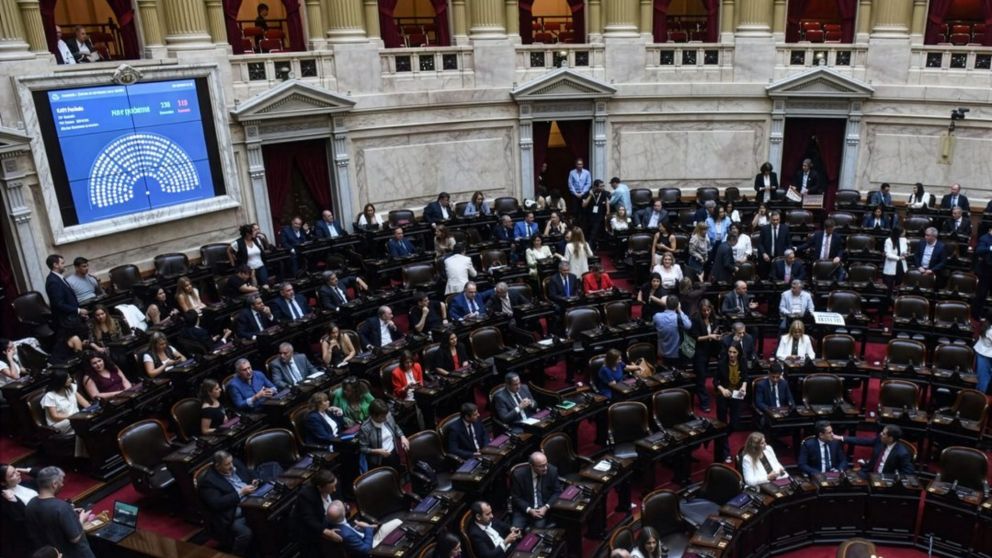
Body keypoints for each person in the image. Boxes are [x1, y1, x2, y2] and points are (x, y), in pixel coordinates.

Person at [25, 466, 95, 558]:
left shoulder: (31, 504)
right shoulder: (62, 507)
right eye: (61, 481)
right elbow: (75, 538)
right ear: (54, 484)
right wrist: (81, 519)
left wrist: (70, 514)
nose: (62, 484)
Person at [197, 451, 256, 556]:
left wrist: (254, 480)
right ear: (217, 466)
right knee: (246, 533)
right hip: (231, 514)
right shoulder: (208, 481)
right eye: (227, 464)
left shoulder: (235, 463)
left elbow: (249, 472)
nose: (232, 466)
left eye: (231, 462)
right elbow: (217, 503)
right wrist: (241, 493)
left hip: (251, 501)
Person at [293, 470, 343, 558]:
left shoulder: (334, 484)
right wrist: (326, 532)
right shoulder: (306, 495)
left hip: (328, 521)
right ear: (320, 487)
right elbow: (309, 520)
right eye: (331, 488)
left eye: (335, 485)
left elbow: (339, 500)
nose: (335, 489)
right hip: (310, 531)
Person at [509, 451, 562, 529]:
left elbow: (557, 492)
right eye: (541, 466)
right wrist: (529, 510)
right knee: (515, 533)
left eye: (546, 464)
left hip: (542, 509)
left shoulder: (552, 471)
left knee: (537, 532)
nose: (545, 468)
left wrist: (546, 507)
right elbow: (516, 497)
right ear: (532, 466)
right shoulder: (519, 475)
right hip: (524, 509)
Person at [835, 424, 914, 476]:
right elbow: (863, 441)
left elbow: (908, 473)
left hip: (884, 479)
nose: (880, 434)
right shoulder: (880, 440)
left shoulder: (902, 453)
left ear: (890, 438)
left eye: (883, 434)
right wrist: (842, 438)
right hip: (869, 473)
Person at [714, 342, 748, 462]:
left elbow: (744, 377)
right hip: (723, 395)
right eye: (730, 352)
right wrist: (722, 390)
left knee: (734, 424)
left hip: (736, 395)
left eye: (734, 352)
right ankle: (725, 452)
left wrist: (744, 387)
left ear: (739, 353)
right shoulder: (722, 363)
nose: (731, 355)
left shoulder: (742, 362)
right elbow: (715, 381)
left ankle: (720, 438)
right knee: (722, 423)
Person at [357, 399, 409, 472]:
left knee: (396, 473)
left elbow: (395, 427)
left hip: (393, 452)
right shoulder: (365, 428)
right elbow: (363, 448)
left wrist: (402, 437)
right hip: (379, 460)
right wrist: (378, 451)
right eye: (382, 417)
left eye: (386, 415)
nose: (385, 419)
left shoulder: (388, 415)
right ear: (373, 416)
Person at [1, 464, 39, 558]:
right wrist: (14, 501)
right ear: (3, 483)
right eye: (12, 474)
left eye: (16, 471)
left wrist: (27, 470)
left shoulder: (24, 484)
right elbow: (21, 519)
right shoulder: (5, 499)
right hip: (32, 537)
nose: (17, 474)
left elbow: (47, 475)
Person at [690, 299, 721, 412]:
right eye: (704, 311)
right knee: (701, 376)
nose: (706, 312)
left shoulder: (713, 318)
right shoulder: (695, 319)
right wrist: (710, 336)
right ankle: (704, 402)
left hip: (710, 350)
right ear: (700, 310)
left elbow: (715, 331)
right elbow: (696, 338)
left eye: (708, 310)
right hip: (698, 351)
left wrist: (716, 335)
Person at [45, 254, 86, 336]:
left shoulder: (58, 278)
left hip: (73, 317)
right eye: (62, 263)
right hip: (67, 322)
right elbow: (59, 304)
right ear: (55, 265)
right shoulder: (53, 281)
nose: (64, 265)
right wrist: (78, 310)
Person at [41, 369, 89, 436]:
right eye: (68, 378)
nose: (70, 379)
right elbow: (55, 416)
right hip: (61, 422)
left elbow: (84, 403)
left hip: (77, 418)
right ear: (60, 381)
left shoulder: (71, 387)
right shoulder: (49, 396)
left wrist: (92, 409)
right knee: (82, 424)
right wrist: (74, 417)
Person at [653, 295, 691, 367]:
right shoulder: (679, 318)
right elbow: (688, 325)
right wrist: (679, 310)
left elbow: (654, 324)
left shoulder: (657, 316)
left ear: (666, 304)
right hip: (676, 354)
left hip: (662, 353)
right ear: (677, 305)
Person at [977, 230, 992, 320]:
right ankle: (978, 314)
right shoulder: (984, 238)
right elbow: (979, 250)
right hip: (986, 270)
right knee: (982, 294)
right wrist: (990, 248)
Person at [974, 321, 992, 394]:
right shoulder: (990, 330)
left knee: (983, 379)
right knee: (983, 381)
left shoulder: (987, 325)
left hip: (984, 354)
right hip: (985, 355)